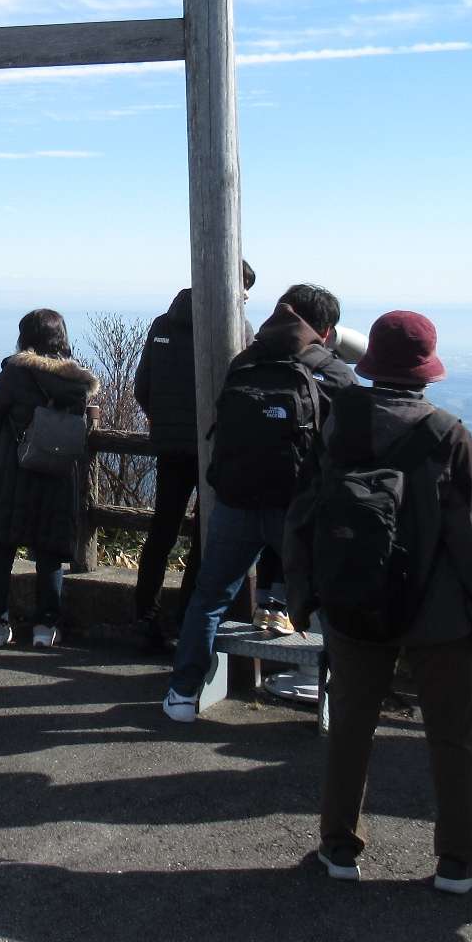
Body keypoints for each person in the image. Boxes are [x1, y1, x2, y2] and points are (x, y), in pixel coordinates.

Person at [287, 311, 472, 893]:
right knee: (452, 735)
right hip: (437, 613)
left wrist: (305, 593)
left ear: (372, 362)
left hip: (354, 601)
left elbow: (305, 512)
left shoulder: (339, 424)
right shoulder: (448, 435)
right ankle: (458, 861)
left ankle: (338, 848)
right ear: (426, 370)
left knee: (351, 727)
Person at [161, 288, 353, 721]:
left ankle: (182, 695)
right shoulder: (334, 374)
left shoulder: (244, 363)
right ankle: (339, 702)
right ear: (324, 330)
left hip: (237, 501)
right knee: (329, 601)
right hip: (302, 510)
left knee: (209, 596)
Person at [132, 260, 256, 648]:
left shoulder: (162, 324)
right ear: (237, 289)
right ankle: (190, 621)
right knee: (207, 536)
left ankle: (145, 620)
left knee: (161, 531)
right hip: (216, 448)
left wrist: (163, 422)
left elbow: (142, 386)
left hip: (171, 447)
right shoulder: (239, 328)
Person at [0, 309, 98, 648]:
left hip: (12, 474)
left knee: (2, 550)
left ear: (26, 338)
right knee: (50, 553)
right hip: (57, 476)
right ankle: (45, 628)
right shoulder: (77, 380)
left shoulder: (15, 373)